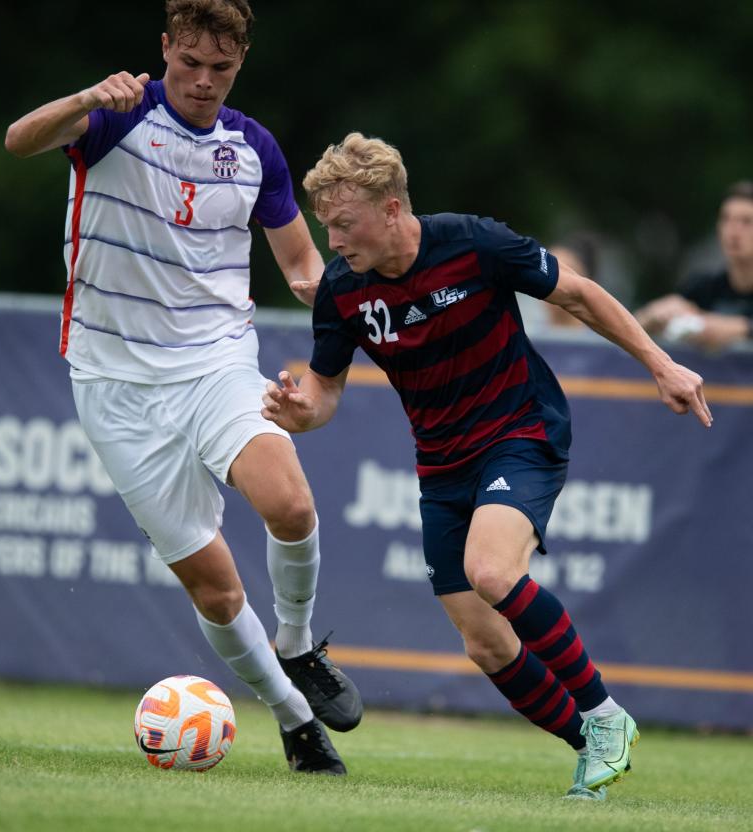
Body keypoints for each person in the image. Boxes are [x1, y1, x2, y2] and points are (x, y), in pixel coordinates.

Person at [261, 133, 712, 798]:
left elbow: (580, 296)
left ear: (391, 210)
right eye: (327, 226)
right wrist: (302, 410)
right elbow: (325, 390)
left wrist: (662, 363)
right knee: (486, 644)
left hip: (520, 430)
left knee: (493, 571)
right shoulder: (343, 291)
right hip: (441, 465)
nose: (333, 242)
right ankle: (592, 745)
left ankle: (607, 716)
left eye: (344, 224)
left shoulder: (474, 243)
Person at [4, 0, 360, 775]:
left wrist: (356, 296)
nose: (202, 82)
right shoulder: (116, 117)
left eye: (220, 70)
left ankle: (298, 646)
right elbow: (18, 140)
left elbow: (302, 270)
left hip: (215, 363)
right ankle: (296, 721)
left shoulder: (253, 146)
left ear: (239, 67)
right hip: (113, 382)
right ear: (164, 50)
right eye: (188, 64)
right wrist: (86, 100)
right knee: (216, 590)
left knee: (291, 504)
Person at [637, 181, 753, 350]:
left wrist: (705, 322)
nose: (733, 231)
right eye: (726, 219)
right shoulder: (703, 286)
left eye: (746, 221)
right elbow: (638, 324)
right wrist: (655, 315)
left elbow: (717, 329)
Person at [545, 234, 600, 329]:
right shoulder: (524, 336)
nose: (553, 281)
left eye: (564, 275)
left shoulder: (604, 342)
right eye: (547, 271)